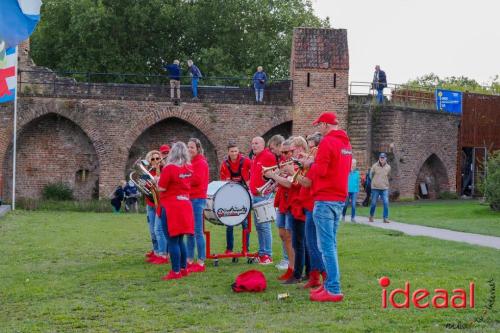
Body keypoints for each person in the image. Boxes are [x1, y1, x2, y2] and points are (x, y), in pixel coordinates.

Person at [302, 111, 352, 302]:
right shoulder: (346, 143)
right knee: (330, 244)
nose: (318, 129)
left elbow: (321, 171)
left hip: (325, 198)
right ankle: (330, 285)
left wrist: (309, 165)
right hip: (339, 198)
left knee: (326, 247)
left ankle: (333, 288)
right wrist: (314, 161)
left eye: (319, 125)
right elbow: (338, 167)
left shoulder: (327, 142)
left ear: (325, 125)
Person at [158, 142, 195, 280]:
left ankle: (175, 272)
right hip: (185, 204)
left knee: (172, 240)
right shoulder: (189, 167)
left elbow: (161, 188)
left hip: (171, 206)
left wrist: (157, 180)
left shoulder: (169, 168)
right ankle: (183, 269)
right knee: (180, 240)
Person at [296, 132, 325, 289]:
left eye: (312, 147)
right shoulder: (313, 162)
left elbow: (307, 182)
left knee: (312, 244)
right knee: (310, 243)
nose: (310, 151)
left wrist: (292, 173)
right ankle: (314, 277)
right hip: (308, 205)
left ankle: (325, 275)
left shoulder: (317, 164)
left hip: (313, 205)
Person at [268, 138, 295, 280]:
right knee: (283, 235)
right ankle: (289, 264)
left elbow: (290, 184)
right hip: (282, 202)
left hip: (291, 203)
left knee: (290, 237)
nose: (284, 155)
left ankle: (293, 267)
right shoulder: (285, 163)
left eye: (287, 152)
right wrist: (274, 182)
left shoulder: (295, 164)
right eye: (282, 153)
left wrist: (273, 176)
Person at [219, 141, 252, 254]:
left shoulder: (246, 161)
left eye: (236, 151)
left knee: (245, 223)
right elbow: (224, 181)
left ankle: (246, 249)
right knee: (229, 223)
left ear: (239, 151)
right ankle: (229, 249)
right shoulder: (224, 164)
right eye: (232, 151)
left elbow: (255, 172)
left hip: (244, 196)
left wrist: (250, 182)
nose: (234, 153)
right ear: (228, 152)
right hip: (230, 196)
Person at [249, 136, 276, 264]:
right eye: (253, 143)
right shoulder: (255, 158)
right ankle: (262, 252)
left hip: (264, 195)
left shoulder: (268, 156)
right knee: (259, 226)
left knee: (264, 226)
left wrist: (268, 191)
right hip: (256, 195)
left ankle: (268, 254)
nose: (254, 146)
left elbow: (274, 176)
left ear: (263, 144)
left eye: (257, 143)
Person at [186, 138, 209, 272]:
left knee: (198, 231)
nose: (189, 150)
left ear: (198, 149)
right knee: (189, 231)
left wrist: (182, 176)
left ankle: (201, 260)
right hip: (189, 198)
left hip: (197, 199)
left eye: (192, 147)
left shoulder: (201, 162)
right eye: (188, 147)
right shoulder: (190, 162)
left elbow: (196, 180)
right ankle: (189, 258)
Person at [144, 150, 161, 262]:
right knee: (152, 231)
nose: (155, 161)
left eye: (157, 158)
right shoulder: (147, 172)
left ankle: (161, 252)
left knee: (158, 230)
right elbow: (144, 186)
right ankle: (155, 251)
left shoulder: (164, 170)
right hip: (150, 203)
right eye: (153, 159)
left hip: (160, 204)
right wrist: (150, 183)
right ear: (149, 161)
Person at [369, 153, 391, 223]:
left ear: (385, 158)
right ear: (379, 158)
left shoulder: (388, 167)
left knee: (386, 203)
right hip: (375, 188)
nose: (382, 159)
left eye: (383, 158)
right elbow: (370, 175)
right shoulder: (374, 166)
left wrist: (386, 182)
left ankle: (385, 218)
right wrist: (374, 182)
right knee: (373, 203)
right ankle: (371, 216)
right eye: (381, 157)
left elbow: (389, 176)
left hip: (384, 188)